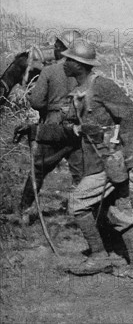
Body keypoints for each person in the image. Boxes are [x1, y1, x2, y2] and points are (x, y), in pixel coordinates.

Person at [14, 39, 133, 280]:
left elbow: (131, 115)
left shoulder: (103, 87)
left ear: (80, 65)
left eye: (69, 61)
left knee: (77, 203)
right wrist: (34, 130)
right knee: (117, 209)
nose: (63, 64)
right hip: (98, 163)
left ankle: (99, 256)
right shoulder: (78, 93)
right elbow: (69, 131)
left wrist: (128, 154)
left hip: (109, 161)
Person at [17, 30, 84, 224]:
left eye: (57, 46)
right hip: (77, 127)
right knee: (80, 173)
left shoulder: (50, 71)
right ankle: (82, 214)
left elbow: (37, 102)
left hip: (53, 127)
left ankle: (25, 211)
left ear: (65, 50)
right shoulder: (84, 73)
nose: (54, 49)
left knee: (38, 169)